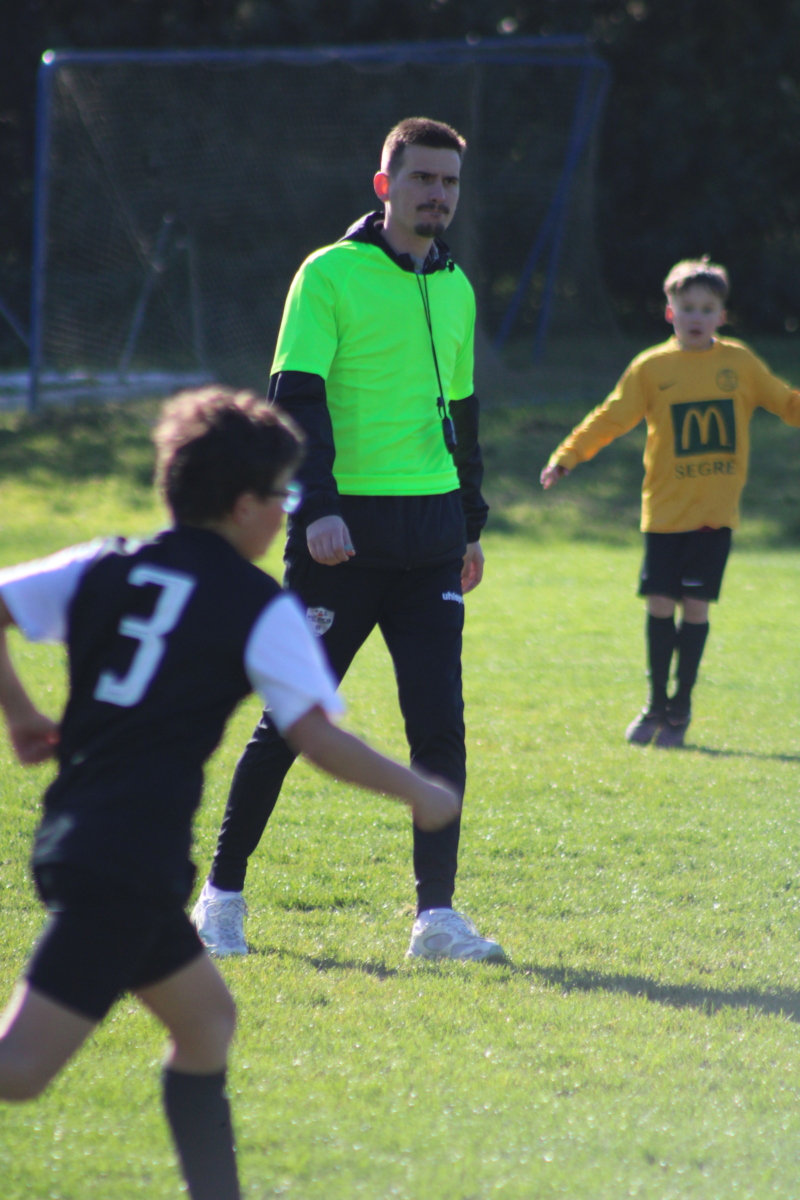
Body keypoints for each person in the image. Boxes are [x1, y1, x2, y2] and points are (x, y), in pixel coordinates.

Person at [0, 388, 458, 1200]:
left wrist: (22, 714)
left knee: (207, 1021)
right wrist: (418, 791)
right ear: (244, 505)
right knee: (20, 1071)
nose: (287, 511)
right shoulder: (258, 605)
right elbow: (316, 739)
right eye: (283, 495)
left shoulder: (104, 563)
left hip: (88, 837)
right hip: (127, 861)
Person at [192, 117, 505, 963]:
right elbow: (294, 402)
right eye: (422, 179)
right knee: (294, 718)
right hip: (343, 537)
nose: (437, 195)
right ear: (385, 185)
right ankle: (220, 899)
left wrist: (469, 525)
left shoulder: (457, 287)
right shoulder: (327, 274)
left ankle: (435, 919)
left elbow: (461, 418)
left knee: (439, 730)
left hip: (431, 537)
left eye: (449, 182)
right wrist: (317, 507)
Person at [541, 256, 800, 748]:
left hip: (713, 517)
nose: (696, 317)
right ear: (669, 312)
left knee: (696, 607)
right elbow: (611, 417)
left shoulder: (740, 364)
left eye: (707, 308)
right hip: (663, 514)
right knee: (660, 604)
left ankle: (680, 708)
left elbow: (787, 404)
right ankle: (654, 705)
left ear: (722, 315)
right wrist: (567, 455)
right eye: (687, 307)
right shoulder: (652, 368)